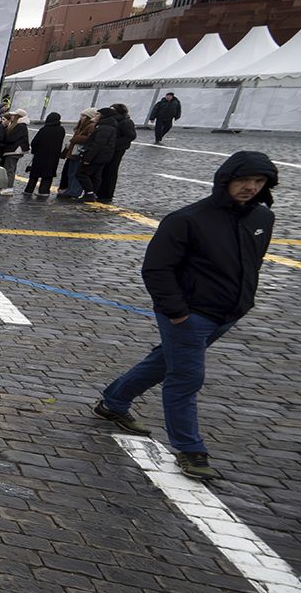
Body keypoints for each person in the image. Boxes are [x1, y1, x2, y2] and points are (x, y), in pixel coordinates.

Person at [93, 152, 278, 481]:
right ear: (225, 180)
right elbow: (157, 268)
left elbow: (253, 262)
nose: (251, 187)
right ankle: (191, 449)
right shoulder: (187, 219)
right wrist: (178, 313)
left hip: (228, 313)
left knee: (166, 362)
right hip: (190, 314)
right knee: (186, 378)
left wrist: (242, 301)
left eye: (259, 181)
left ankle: (114, 401)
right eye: (243, 180)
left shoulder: (262, 218)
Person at [96, 103, 137, 202]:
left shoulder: (125, 122)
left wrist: (114, 144)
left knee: (111, 170)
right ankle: (100, 191)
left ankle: (106, 194)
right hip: (110, 148)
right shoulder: (114, 120)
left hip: (117, 150)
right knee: (103, 170)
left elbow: (131, 136)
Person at [59, 108, 100, 200]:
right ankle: (70, 189)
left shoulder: (91, 126)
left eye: (83, 116)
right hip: (73, 153)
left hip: (79, 153)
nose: (81, 118)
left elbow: (90, 139)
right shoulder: (81, 126)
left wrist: (76, 138)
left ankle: (74, 191)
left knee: (76, 173)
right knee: (71, 172)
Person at [24, 113, 66, 198]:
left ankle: (29, 190)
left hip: (40, 155)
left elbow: (35, 142)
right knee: (48, 174)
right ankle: (44, 191)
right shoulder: (61, 130)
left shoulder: (44, 129)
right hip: (53, 156)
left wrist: (34, 151)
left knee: (34, 174)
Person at [0, 110, 30, 194]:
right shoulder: (16, 125)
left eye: (13, 115)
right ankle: (6, 187)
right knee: (9, 169)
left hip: (14, 151)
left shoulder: (20, 126)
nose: (11, 116)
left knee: (9, 169)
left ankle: (8, 187)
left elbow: (11, 138)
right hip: (12, 150)